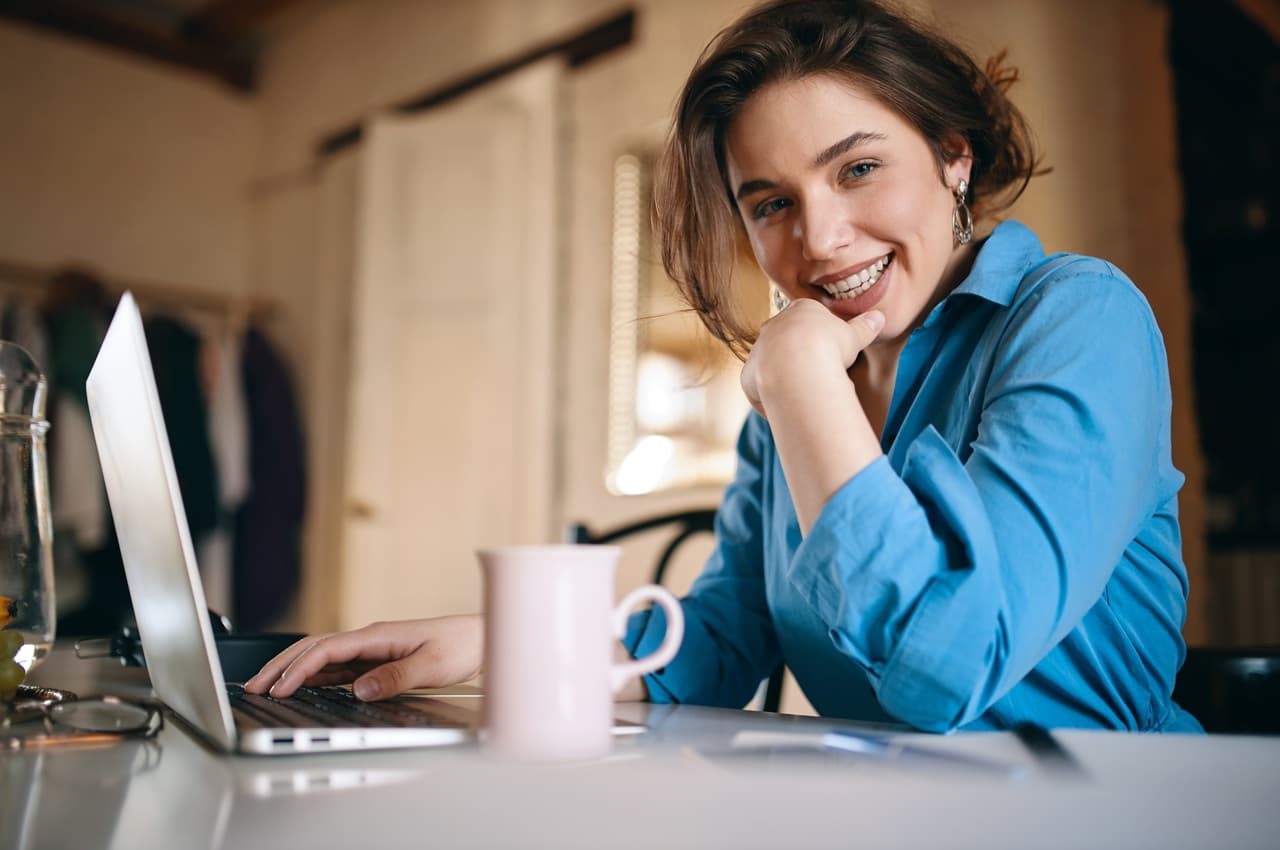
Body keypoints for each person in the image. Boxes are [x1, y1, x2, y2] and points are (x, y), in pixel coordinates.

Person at [248, 0, 1202, 733]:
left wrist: (798, 385)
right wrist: (494, 644)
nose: (820, 239)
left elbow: (946, 667)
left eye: (858, 168)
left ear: (954, 157)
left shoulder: (1078, 317)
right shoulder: (800, 390)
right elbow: (718, 645)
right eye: (770, 202)